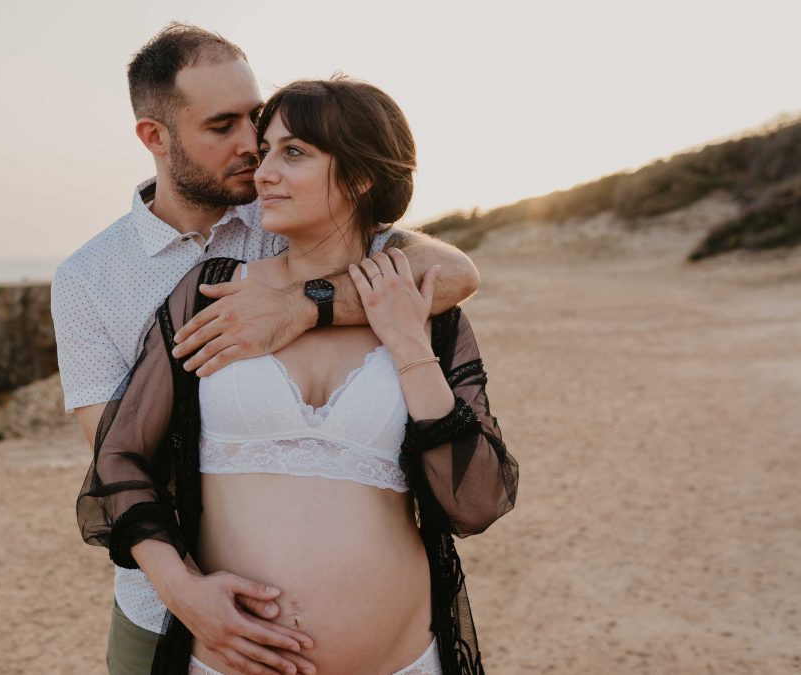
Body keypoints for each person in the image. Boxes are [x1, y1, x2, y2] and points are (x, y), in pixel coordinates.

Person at [52, 24, 482, 675]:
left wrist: (303, 304)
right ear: (154, 137)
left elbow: (451, 273)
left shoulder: (285, 208)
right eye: (223, 125)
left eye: (256, 118)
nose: (253, 146)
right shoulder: (89, 278)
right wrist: (190, 597)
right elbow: (122, 455)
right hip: (170, 603)